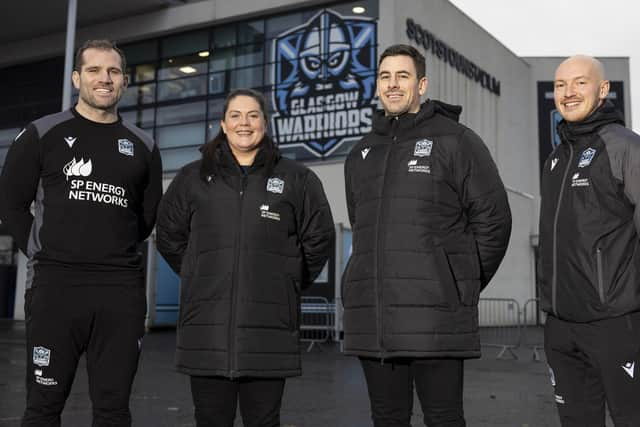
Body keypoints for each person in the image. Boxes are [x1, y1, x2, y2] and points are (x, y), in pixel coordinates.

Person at [342, 44, 512, 427]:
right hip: (377, 318)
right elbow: (362, 226)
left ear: (421, 84)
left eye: (402, 76)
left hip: (437, 316)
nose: (393, 84)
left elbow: (494, 220)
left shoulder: (457, 141)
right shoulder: (362, 153)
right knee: (386, 418)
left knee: (443, 418)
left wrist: (457, 281)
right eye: (385, 76)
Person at [0, 39, 162, 426]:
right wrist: (43, 251)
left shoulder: (144, 146)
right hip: (56, 287)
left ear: (124, 82)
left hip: (119, 291)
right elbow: (10, 205)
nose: (104, 79)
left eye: (113, 72)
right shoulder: (42, 133)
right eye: (94, 70)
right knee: (43, 407)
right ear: (77, 78)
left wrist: (109, 247)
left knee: (113, 409)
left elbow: (146, 217)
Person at [155, 88, 335, 427]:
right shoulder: (193, 177)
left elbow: (320, 237)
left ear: (265, 124)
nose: (244, 123)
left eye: (253, 115)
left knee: (264, 421)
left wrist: (287, 278)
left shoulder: (296, 178)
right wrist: (197, 273)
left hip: (268, 332)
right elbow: (168, 234)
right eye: (236, 115)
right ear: (223, 124)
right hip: (206, 330)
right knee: (210, 420)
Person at [539, 55, 640, 426]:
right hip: (561, 328)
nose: (568, 92)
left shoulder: (625, 148)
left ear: (603, 90)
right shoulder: (555, 159)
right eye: (561, 85)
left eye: (580, 83)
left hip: (616, 324)